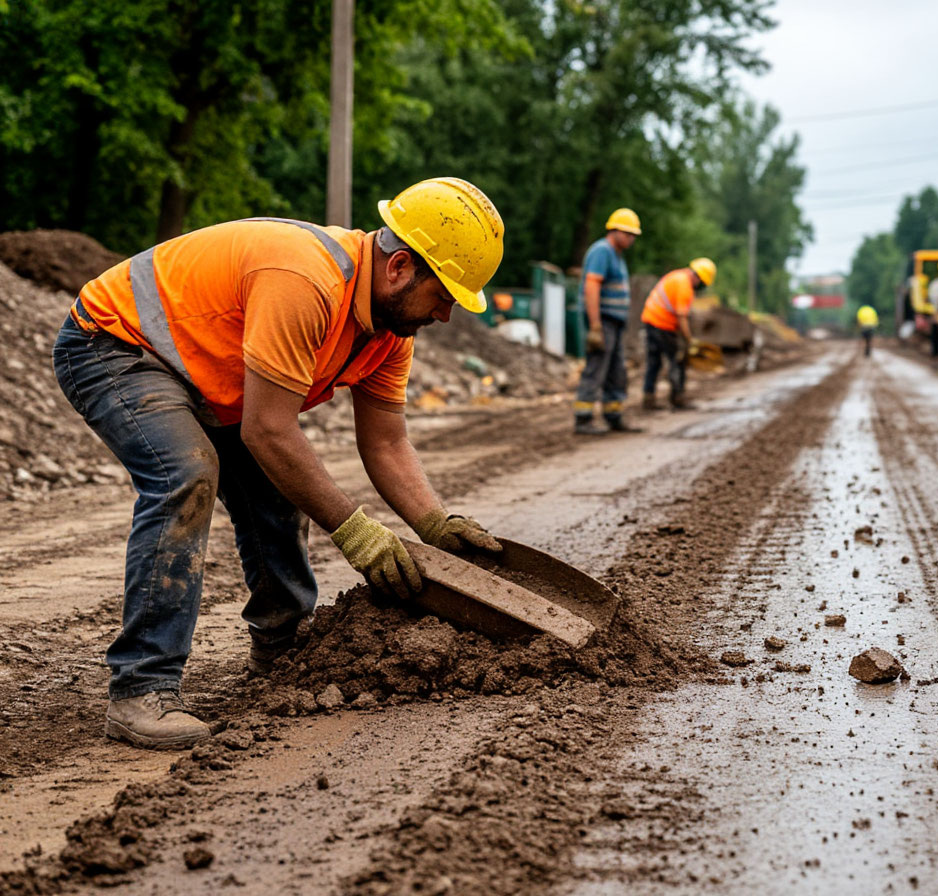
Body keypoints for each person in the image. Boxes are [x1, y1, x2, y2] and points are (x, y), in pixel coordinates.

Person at [52, 177, 505, 750]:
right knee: (185, 474)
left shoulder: (389, 333)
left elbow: (387, 443)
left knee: (282, 489)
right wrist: (357, 533)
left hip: (212, 374)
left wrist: (436, 524)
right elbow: (268, 429)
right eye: (442, 296)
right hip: (115, 344)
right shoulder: (305, 281)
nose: (444, 316)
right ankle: (141, 688)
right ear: (398, 268)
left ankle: (281, 651)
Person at [572, 208, 642, 435]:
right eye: (628, 234)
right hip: (603, 321)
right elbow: (592, 287)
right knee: (596, 366)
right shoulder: (602, 251)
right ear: (615, 230)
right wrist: (595, 326)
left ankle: (614, 415)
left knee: (615, 370)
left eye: (634, 235)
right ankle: (583, 418)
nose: (632, 239)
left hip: (614, 323)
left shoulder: (616, 255)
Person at [640, 258, 716, 409]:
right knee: (677, 360)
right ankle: (678, 398)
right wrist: (689, 340)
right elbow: (682, 317)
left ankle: (648, 397)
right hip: (662, 325)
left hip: (650, 320)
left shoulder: (677, 276)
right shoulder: (685, 287)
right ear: (698, 278)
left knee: (654, 362)